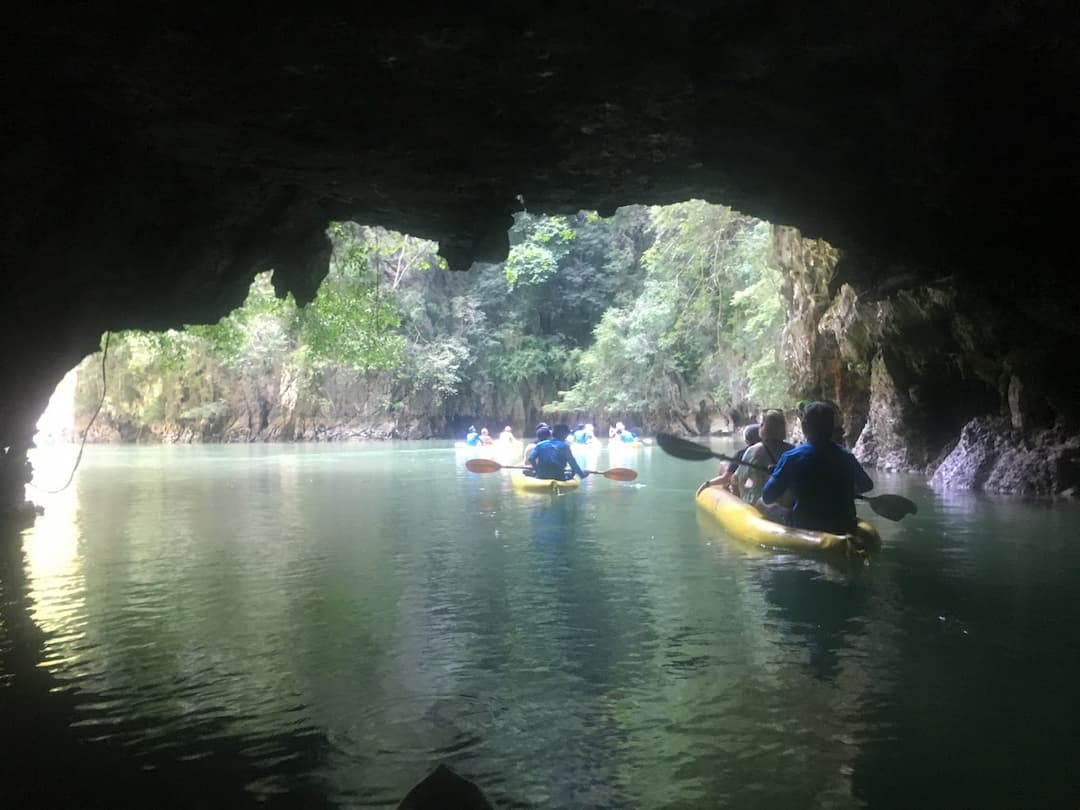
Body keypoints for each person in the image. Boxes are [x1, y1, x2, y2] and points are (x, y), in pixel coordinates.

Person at [761, 401, 874, 534]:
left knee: (761, 503)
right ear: (832, 428)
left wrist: (776, 475)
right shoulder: (846, 456)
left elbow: (767, 496)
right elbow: (867, 485)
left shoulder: (791, 457)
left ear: (803, 427)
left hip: (806, 525)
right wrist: (843, 488)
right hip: (845, 525)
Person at [735, 409, 793, 508]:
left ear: (763, 427)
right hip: (787, 505)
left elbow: (737, 479)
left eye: (761, 423)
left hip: (762, 506)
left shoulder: (754, 451)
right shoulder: (793, 450)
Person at [696, 423, 760, 496]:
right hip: (757, 483)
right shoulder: (771, 450)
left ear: (747, 439)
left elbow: (726, 478)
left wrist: (706, 484)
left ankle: (730, 492)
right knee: (725, 464)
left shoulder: (741, 454)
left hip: (749, 489)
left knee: (724, 465)